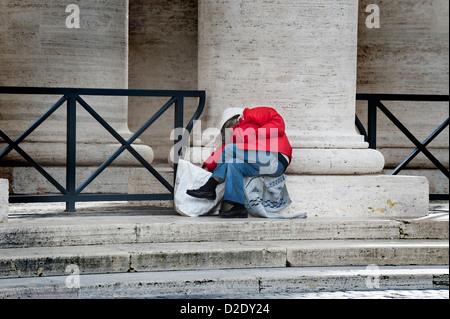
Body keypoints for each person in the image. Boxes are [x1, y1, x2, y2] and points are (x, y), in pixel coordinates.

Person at [187, 106, 293, 218]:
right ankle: (239, 207)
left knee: (230, 150)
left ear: (234, 118)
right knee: (233, 163)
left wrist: (253, 134)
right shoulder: (236, 136)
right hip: (265, 166)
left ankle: (211, 185)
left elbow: (278, 124)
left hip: (276, 157)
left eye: (228, 126)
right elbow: (223, 151)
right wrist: (207, 167)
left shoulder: (252, 114)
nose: (229, 130)